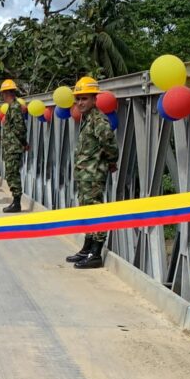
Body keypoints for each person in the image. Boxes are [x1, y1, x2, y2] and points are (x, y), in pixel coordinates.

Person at [66, 76, 118, 269]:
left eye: (84, 98)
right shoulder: (87, 119)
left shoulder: (98, 119)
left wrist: (111, 161)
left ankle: (95, 253)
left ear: (94, 99)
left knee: (96, 211)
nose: (80, 102)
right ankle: (86, 248)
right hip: (84, 175)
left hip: (94, 175)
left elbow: (110, 143)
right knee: (87, 210)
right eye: (78, 99)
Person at [0, 80, 27, 213]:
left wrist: (23, 143)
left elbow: (19, 128)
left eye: (3, 93)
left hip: (14, 147)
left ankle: (17, 203)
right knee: (11, 174)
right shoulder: (12, 106)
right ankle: (15, 201)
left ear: (7, 93)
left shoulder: (15, 107)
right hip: (11, 146)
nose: (2, 96)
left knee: (13, 174)